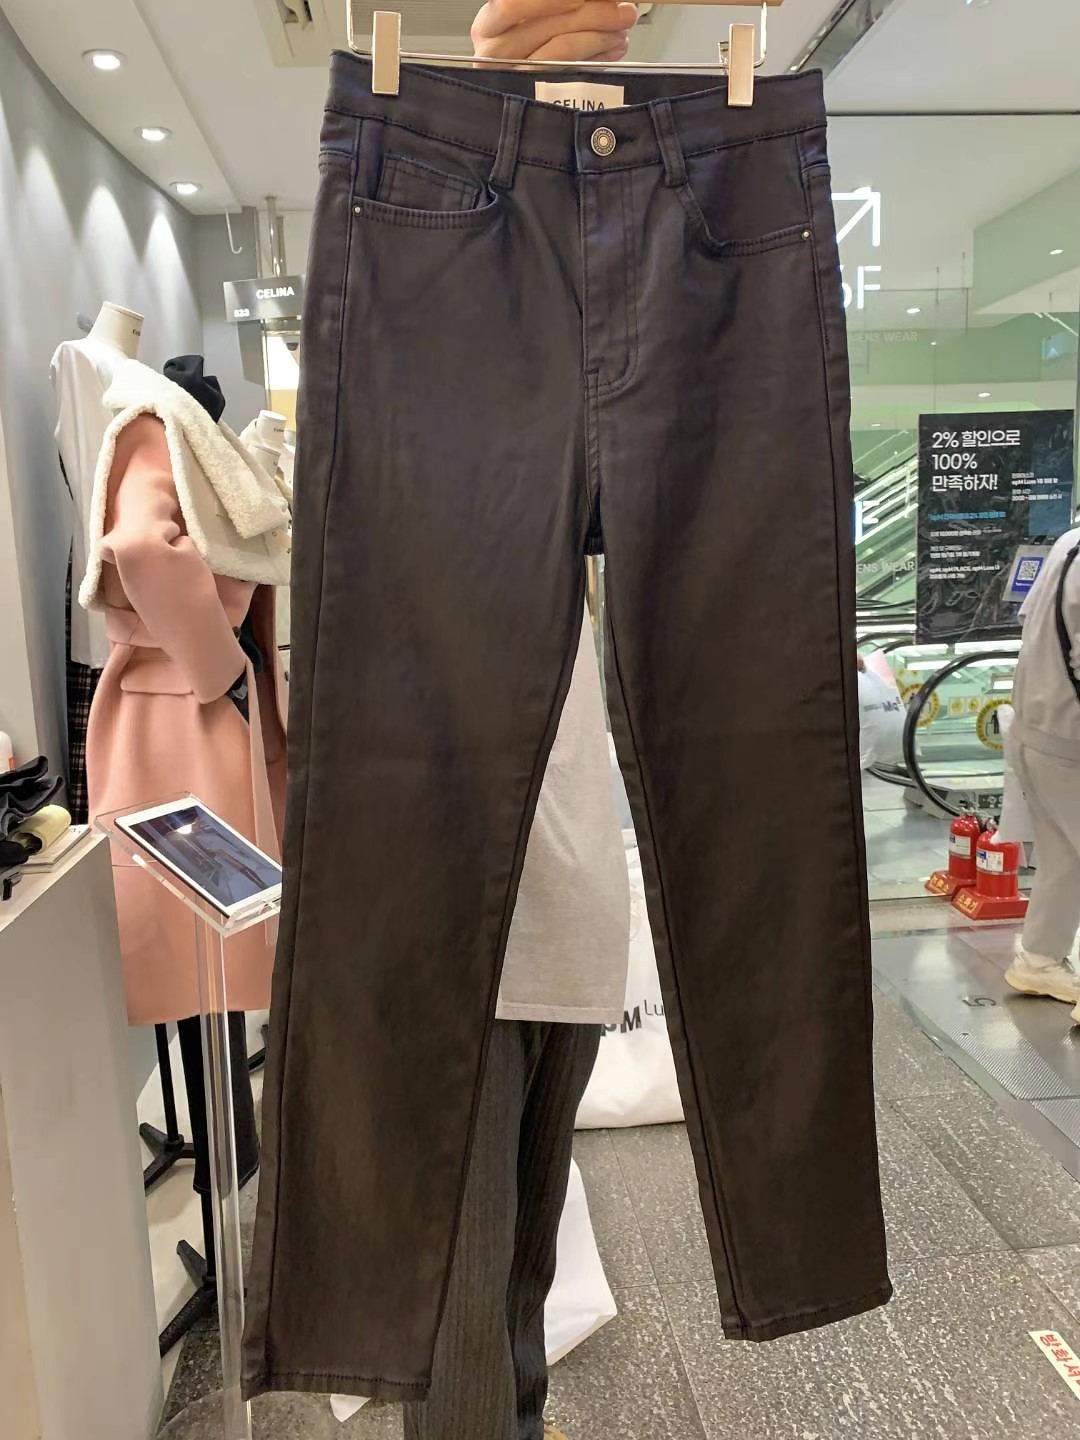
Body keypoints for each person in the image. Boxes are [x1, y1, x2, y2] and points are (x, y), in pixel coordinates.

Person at [1004, 523, 1080, 1012]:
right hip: (1070, 739)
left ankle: (1039, 957)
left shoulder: (1070, 542)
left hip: (1036, 727)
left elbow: (1030, 619)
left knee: (1064, 853)